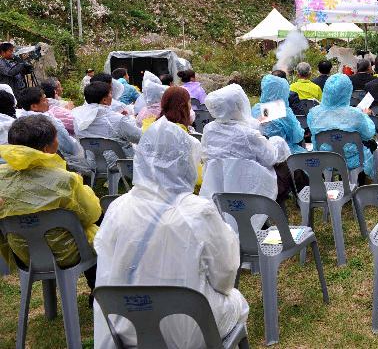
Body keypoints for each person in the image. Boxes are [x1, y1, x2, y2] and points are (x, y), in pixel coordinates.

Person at [93, 117, 248, 349]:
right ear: (186, 161)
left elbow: (106, 269)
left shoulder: (117, 207)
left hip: (127, 327)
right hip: (192, 330)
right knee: (237, 301)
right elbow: (225, 275)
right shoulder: (198, 211)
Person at [0, 116, 100, 288]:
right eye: (56, 139)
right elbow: (92, 214)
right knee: (97, 225)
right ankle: (96, 286)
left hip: (24, 253)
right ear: (47, 149)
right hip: (68, 253)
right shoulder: (65, 180)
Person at [200, 85, 290, 225]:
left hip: (217, 190)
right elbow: (271, 158)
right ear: (237, 105)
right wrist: (276, 142)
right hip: (250, 190)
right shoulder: (248, 134)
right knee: (281, 162)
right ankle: (280, 213)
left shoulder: (209, 129)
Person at [307, 74, 377, 178]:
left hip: (324, 157)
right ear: (348, 91)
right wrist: (366, 116)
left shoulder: (313, 114)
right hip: (352, 159)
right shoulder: (355, 114)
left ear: (325, 90)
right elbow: (368, 134)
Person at [17, 86, 86, 170]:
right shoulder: (48, 122)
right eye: (44, 100)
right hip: (54, 163)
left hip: (30, 165)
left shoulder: (19, 119)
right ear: (34, 106)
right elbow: (69, 146)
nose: (48, 102)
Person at [73, 81, 143, 157]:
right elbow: (139, 137)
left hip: (92, 164)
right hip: (121, 164)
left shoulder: (78, 117)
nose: (112, 96)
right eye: (110, 93)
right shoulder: (118, 119)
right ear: (104, 100)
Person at [252, 74, 305, 153]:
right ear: (284, 91)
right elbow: (297, 137)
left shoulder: (255, 109)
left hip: (260, 154)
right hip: (284, 156)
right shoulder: (284, 111)